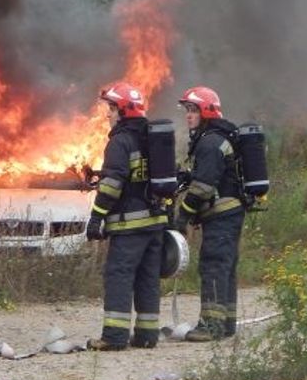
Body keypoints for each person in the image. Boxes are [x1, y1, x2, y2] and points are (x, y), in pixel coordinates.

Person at [85, 82, 168, 351]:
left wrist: (96, 217)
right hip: (155, 223)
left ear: (121, 110)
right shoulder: (151, 139)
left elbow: (112, 185)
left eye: (110, 109)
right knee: (148, 278)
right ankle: (147, 336)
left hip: (129, 225)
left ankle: (114, 337)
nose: (107, 115)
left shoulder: (120, 141)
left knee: (119, 275)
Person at [173, 86, 244, 342]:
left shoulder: (210, 142)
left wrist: (183, 215)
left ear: (206, 112)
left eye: (193, 110)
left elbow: (203, 187)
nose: (188, 115)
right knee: (225, 268)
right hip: (229, 214)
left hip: (221, 216)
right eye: (187, 110)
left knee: (213, 266)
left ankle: (211, 326)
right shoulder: (215, 139)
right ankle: (226, 323)